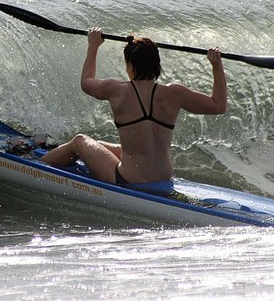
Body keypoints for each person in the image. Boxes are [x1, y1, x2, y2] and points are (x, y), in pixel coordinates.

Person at [40, 28, 227, 195]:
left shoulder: (117, 90)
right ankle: (57, 152)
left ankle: (37, 164)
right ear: (157, 64)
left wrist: (93, 45)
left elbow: (86, 82)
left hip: (128, 180)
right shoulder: (175, 93)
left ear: (130, 66)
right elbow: (219, 105)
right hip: (163, 177)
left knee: (80, 141)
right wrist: (216, 66)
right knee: (100, 146)